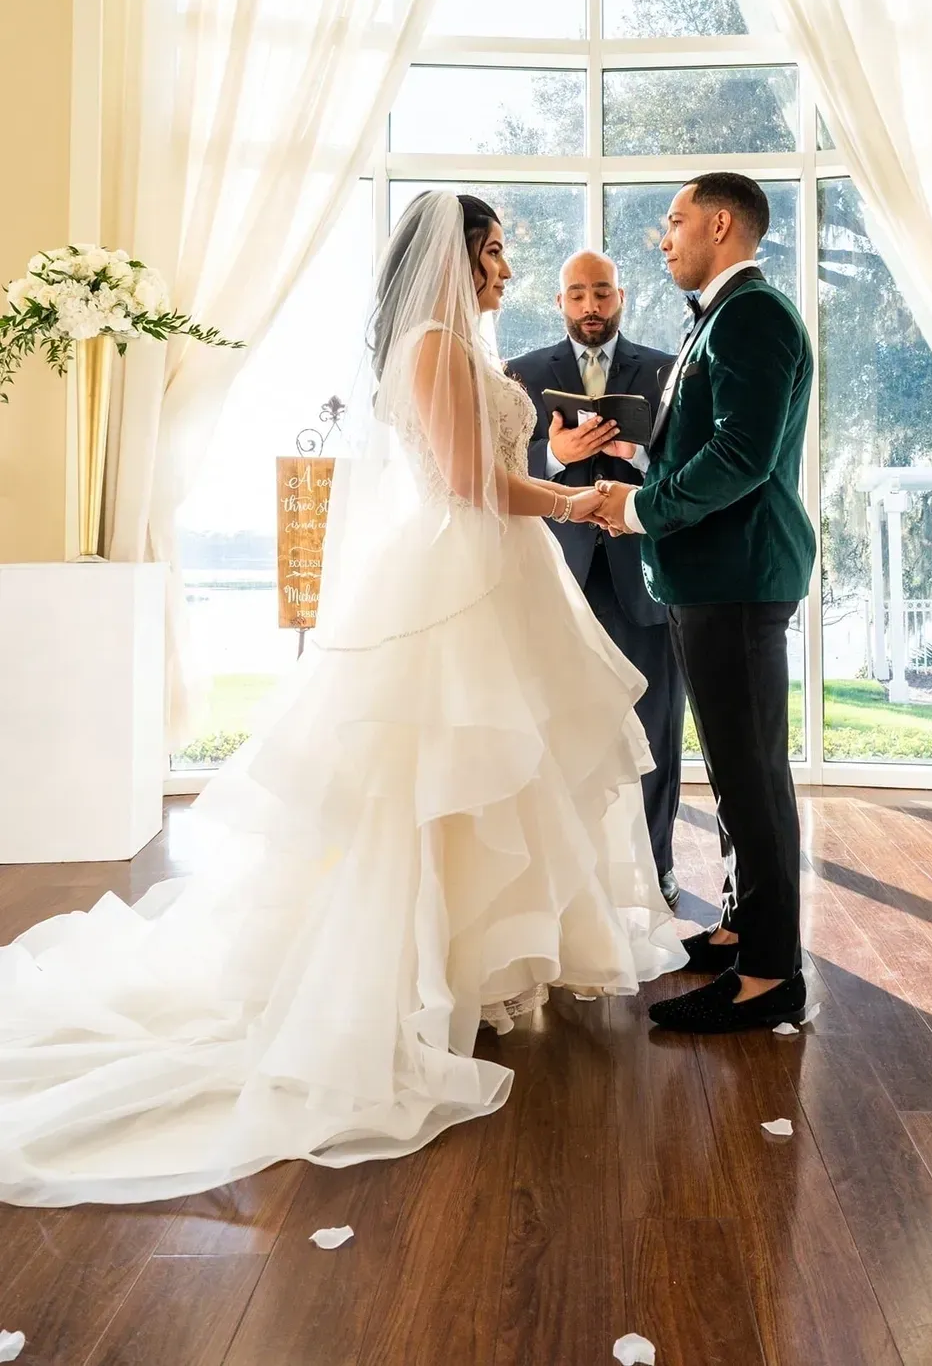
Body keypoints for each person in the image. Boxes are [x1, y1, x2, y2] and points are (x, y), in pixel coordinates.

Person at [0, 191, 684, 1208]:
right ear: (453, 259)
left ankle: (479, 964)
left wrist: (556, 466)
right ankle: (418, 973)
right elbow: (469, 483)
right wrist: (580, 499)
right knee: (441, 776)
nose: (504, 273)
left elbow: (492, 463)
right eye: (493, 255)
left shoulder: (451, 345)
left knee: (508, 774)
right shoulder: (433, 347)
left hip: (496, 574)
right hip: (461, 577)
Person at [593, 172, 815, 1035]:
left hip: (737, 574)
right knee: (731, 772)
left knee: (753, 778)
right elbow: (704, 441)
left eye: (675, 220)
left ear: (721, 224)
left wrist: (642, 507)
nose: (664, 236)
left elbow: (741, 455)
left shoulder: (753, 313)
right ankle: (738, 927)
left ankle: (769, 975)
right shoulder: (726, 315)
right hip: (710, 576)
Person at [506, 252, 686, 909]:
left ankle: (656, 869)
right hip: (553, 582)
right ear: (559, 301)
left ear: (622, 296)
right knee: (553, 735)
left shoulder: (668, 371)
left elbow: (692, 466)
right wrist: (558, 455)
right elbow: (492, 466)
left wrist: (635, 455)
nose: (591, 306)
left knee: (656, 730)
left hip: (641, 580)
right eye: (578, 293)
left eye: (602, 292)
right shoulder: (521, 374)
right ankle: (565, 882)